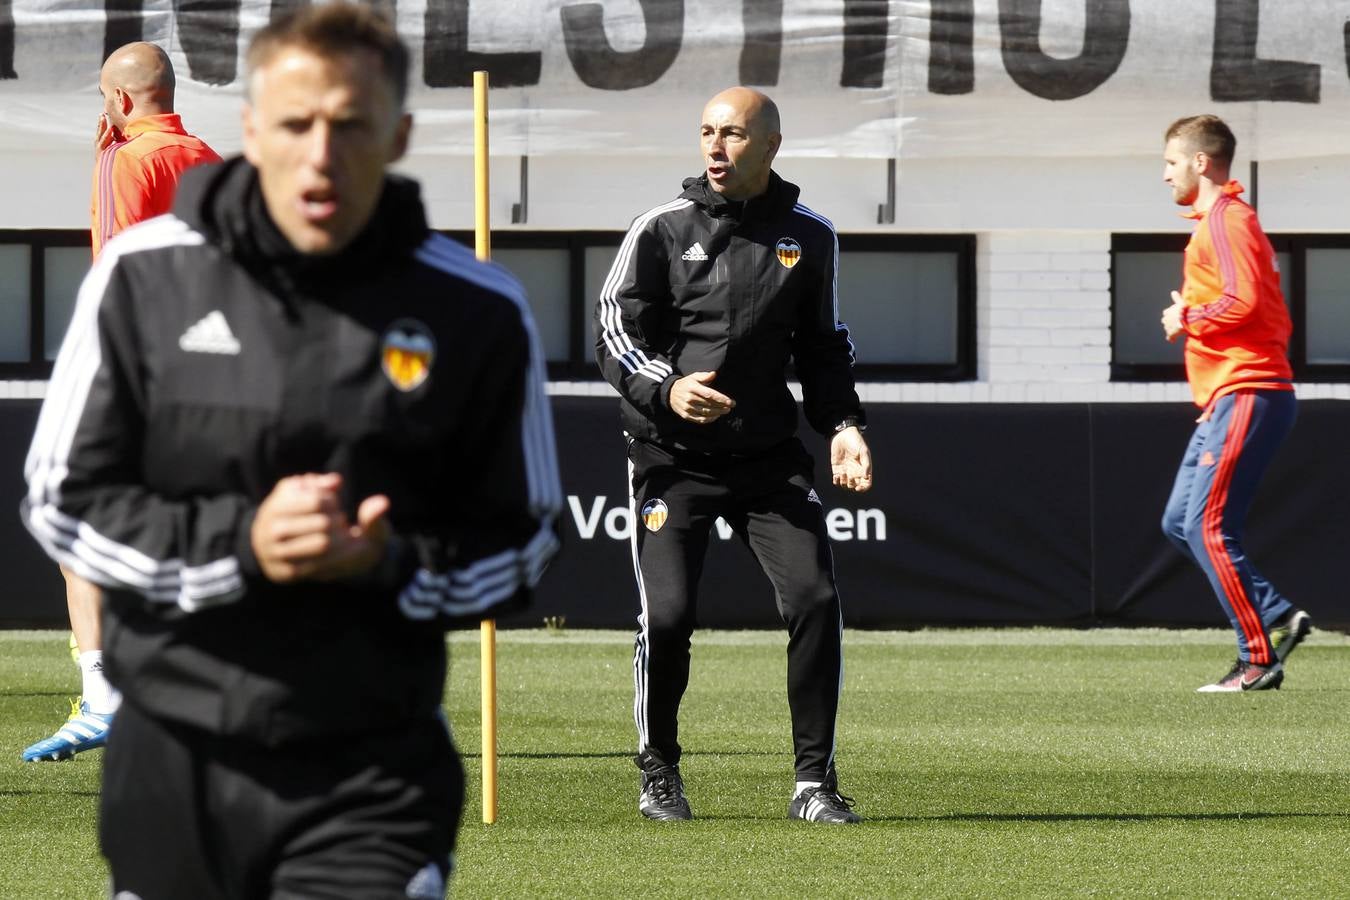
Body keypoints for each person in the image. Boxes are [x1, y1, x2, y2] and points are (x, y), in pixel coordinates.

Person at [21, 4, 561, 896]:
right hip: (176, 763)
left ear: (398, 136)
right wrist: (241, 546)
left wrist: (393, 561)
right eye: (295, 124)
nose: (320, 152)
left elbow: (529, 534)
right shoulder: (143, 277)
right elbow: (61, 499)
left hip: (372, 770)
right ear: (250, 131)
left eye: (350, 124)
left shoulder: (480, 309)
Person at [595, 86, 873, 824]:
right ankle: (659, 772)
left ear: (770, 145)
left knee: (815, 598)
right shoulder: (659, 229)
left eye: (735, 134)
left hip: (768, 459)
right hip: (671, 460)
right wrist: (669, 388)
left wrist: (844, 423)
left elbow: (822, 345)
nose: (716, 147)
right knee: (670, 618)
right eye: (707, 132)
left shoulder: (810, 236)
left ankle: (813, 784)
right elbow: (617, 336)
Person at [22, 40, 221, 764]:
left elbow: (117, 269)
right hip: (209, 373)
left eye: (105, 97)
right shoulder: (205, 157)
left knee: (76, 524)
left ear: (123, 98)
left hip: (140, 370)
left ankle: (107, 698)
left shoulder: (125, 160)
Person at [1158, 114, 1311, 693]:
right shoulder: (1220, 222)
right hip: (1230, 392)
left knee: (1207, 526)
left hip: (1249, 388)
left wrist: (1187, 317)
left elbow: (1244, 301)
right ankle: (1273, 615)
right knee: (1180, 522)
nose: (1165, 174)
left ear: (1201, 162)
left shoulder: (1227, 220)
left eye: (1171, 162)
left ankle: (1258, 657)